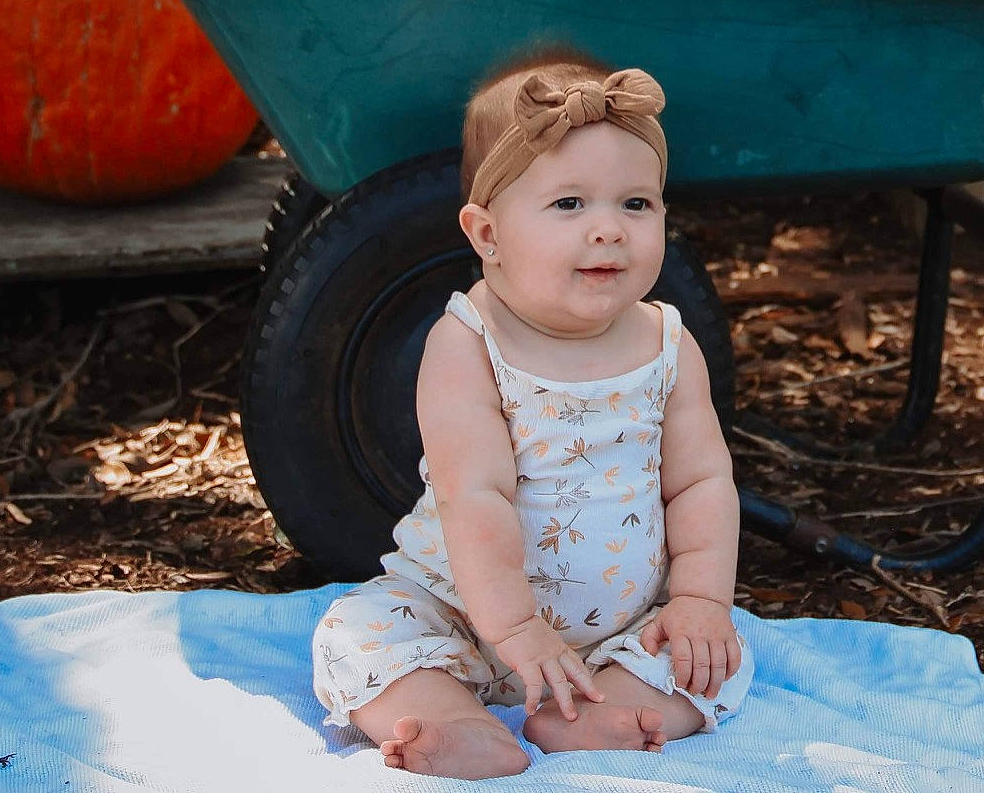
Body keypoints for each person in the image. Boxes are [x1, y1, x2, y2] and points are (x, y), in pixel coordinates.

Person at [311, 55, 748, 778]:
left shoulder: (668, 342)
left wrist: (700, 600)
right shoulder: (468, 342)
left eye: (636, 203)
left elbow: (701, 481)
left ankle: (590, 711)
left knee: (717, 656)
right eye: (570, 204)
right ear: (487, 236)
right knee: (357, 634)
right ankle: (450, 716)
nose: (609, 228)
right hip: (458, 610)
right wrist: (514, 630)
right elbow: (471, 493)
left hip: (622, 626)